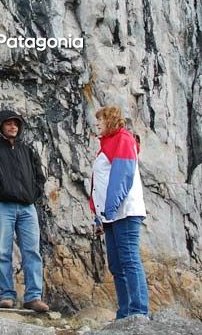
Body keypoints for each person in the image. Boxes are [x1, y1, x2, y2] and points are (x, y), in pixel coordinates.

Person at [0, 109, 49, 312]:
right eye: (8, 123)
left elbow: (39, 176)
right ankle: (7, 295)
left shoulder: (27, 150)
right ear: (0, 126)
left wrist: (34, 194)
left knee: (32, 252)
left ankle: (33, 297)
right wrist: (0, 191)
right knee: (3, 252)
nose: (13, 126)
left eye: (16, 123)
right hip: (1, 206)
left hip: (27, 207)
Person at [90, 106, 149, 319]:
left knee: (129, 259)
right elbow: (99, 183)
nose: (96, 123)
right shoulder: (106, 144)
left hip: (124, 212)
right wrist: (99, 216)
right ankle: (124, 312)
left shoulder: (123, 139)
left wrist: (110, 209)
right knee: (116, 264)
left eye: (100, 120)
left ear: (111, 120)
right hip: (111, 214)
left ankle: (139, 310)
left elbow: (121, 176)